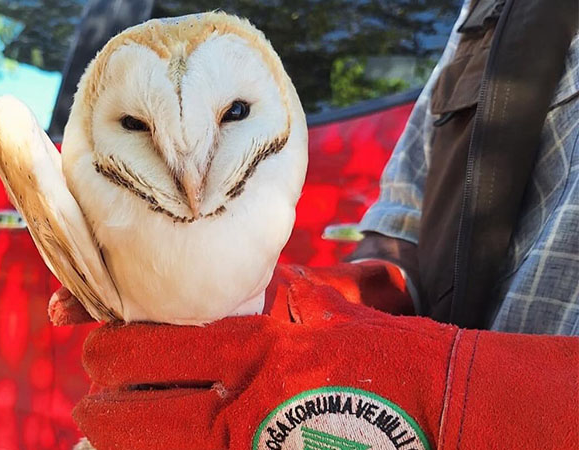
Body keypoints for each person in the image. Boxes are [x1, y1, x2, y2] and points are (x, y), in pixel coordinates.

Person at [60, 0, 579, 448]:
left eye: (235, 112)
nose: (192, 178)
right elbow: (408, 225)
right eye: (134, 125)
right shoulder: (492, 10)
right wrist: (294, 308)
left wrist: (446, 399)